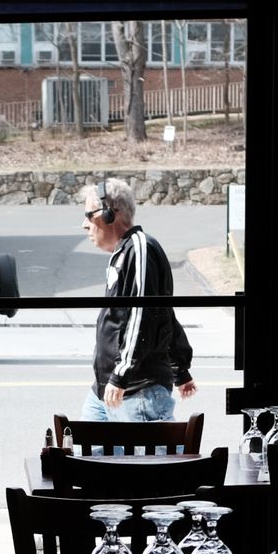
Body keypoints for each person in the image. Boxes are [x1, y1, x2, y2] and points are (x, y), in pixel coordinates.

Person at [78, 178, 197, 423]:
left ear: (113, 213)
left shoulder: (139, 248)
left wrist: (120, 375)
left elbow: (143, 314)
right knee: (89, 457)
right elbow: (163, 314)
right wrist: (180, 369)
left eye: (89, 215)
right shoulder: (123, 252)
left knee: (146, 461)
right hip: (107, 390)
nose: (84, 225)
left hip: (136, 390)